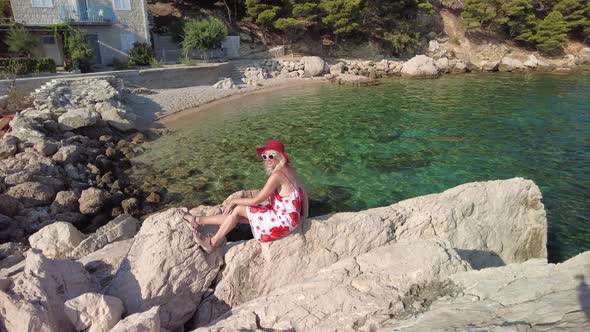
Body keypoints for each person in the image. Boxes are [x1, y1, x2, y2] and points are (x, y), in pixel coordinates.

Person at [180, 139, 309, 253]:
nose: (267, 160)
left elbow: (257, 200)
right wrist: (304, 215)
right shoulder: (290, 170)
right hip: (289, 219)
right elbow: (304, 193)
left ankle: (212, 243)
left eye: (271, 156)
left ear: (280, 157)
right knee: (237, 217)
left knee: (238, 210)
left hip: (281, 222)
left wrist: (234, 201)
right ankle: (197, 220)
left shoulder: (277, 176)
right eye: (265, 157)